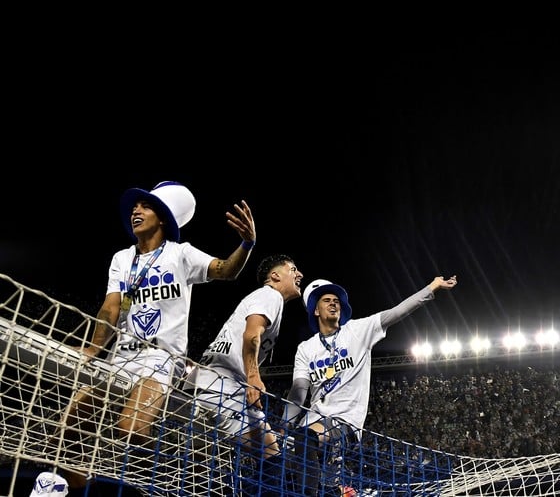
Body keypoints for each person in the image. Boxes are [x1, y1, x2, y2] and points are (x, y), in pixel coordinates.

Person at [61, 181, 256, 493]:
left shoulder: (181, 254)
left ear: (163, 217)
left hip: (162, 358)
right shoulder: (122, 259)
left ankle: (173, 476)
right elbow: (111, 308)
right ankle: (77, 489)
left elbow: (225, 270)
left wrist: (246, 244)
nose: (136, 210)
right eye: (135, 207)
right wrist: (93, 349)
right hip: (120, 357)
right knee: (70, 425)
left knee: (132, 429)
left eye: (146, 206)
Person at [283, 275, 458, 496]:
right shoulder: (306, 348)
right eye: (326, 300)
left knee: (306, 442)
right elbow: (299, 390)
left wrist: (432, 287)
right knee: (275, 458)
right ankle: (334, 489)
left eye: (336, 300)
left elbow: (398, 312)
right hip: (312, 423)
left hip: (344, 422)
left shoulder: (357, 331)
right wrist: (284, 426)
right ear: (315, 310)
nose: (333, 303)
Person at [186, 253, 303, 495]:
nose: (299, 274)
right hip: (223, 388)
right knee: (272, 457)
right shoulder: (271, 295)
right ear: (274, 276)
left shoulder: (261, 297)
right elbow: (251, 335)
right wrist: (252, 377)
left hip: (197, 388)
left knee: (200, 476)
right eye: (293, 269)